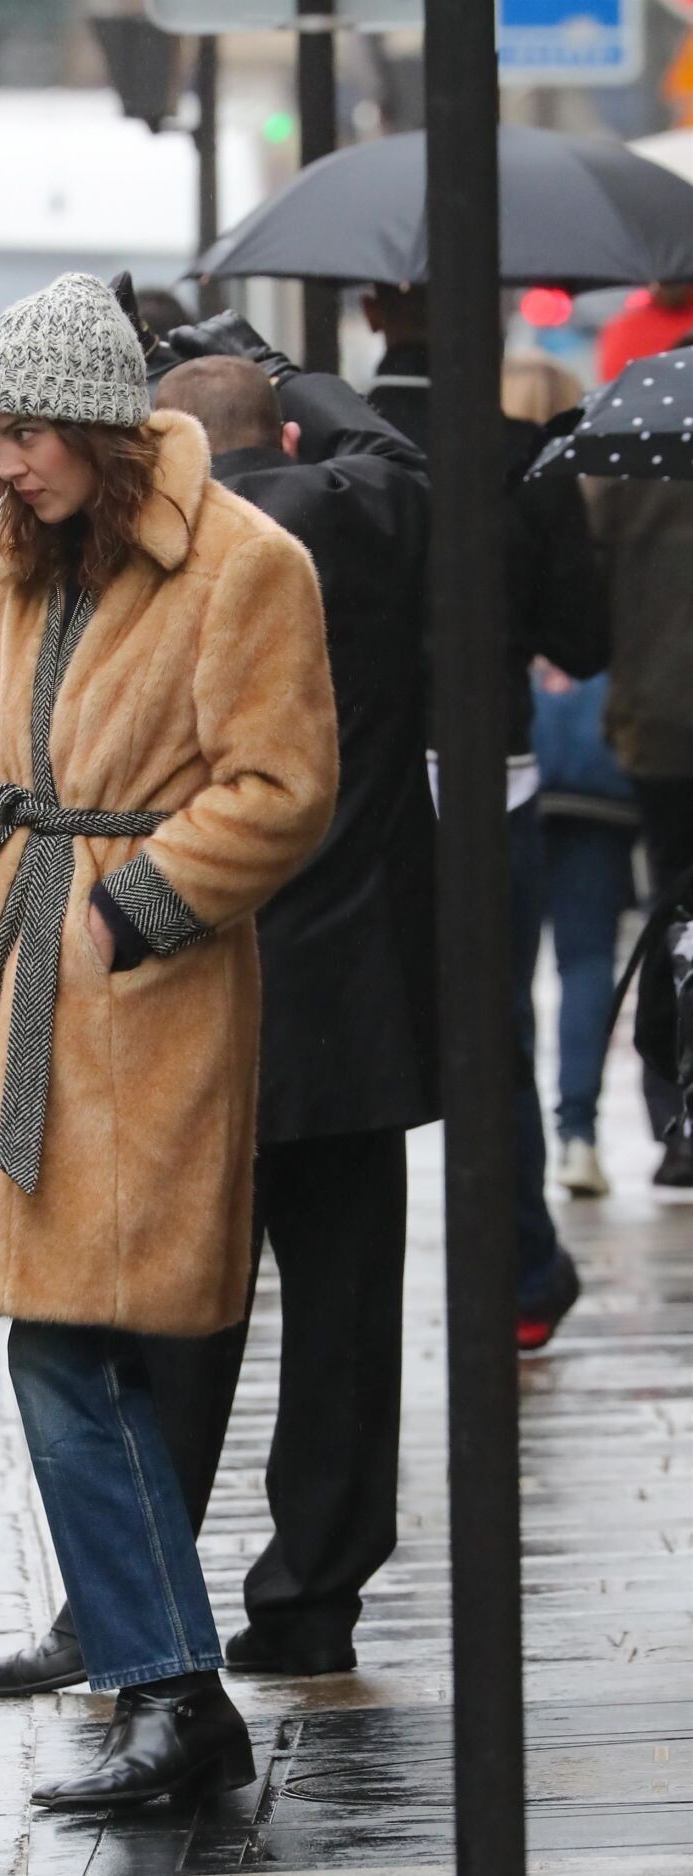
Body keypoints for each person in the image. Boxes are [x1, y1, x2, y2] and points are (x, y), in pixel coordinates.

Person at [0, 273, 338, 1808]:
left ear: (99, 426)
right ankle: (168, 1686)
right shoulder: (11, 569)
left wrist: (133, 908)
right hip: (14, 990)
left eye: (27, 433)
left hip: (141, 1011)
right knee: (65, 1346)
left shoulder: (244, 566)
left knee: (74, 1349)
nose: (7, 464)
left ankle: (173, 1690)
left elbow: (282, 786)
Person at [0, 333, 436, 1697]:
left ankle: (128, 1608)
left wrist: (112, 910)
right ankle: (311, 1601)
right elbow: (394, 454)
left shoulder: (202, 561)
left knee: (160, 1320)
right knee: (344, 1323)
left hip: (174, 982)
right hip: (348, 999)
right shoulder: (367, 515)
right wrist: (298, 379)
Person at [365, 285, 610, 1350]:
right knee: (496, 1032)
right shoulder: (521, 460)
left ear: (372, 308)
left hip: (362, 783)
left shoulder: (333, 448)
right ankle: (519, 1272)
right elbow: (584, 641)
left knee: (351, 1033)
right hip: (492, 776)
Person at [503, 352, 636, 1199]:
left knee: (504, 978)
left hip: (506, 762)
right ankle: (577, 1132)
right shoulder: (605, 493)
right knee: (588, 956)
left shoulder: (485, 490)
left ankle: (516, 1153)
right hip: (599, 760)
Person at [588, 383, 693, 1186]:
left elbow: (590, 603)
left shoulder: (637, 457)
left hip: (662, 721)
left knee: (675, 907)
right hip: (661, 717)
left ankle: (676, 1112)